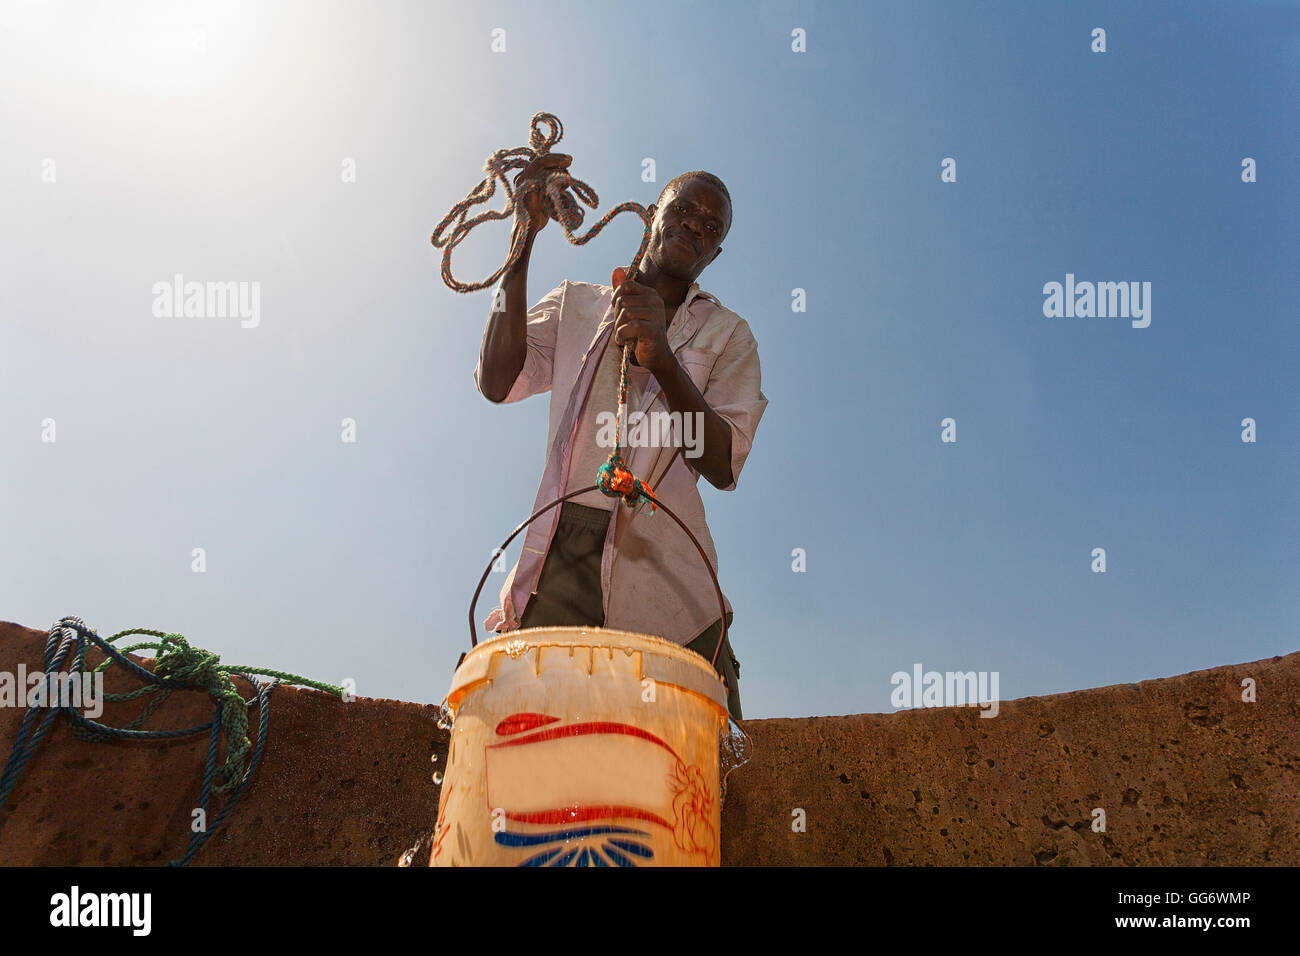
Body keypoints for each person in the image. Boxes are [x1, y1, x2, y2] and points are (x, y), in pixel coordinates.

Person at [474, 151, 767, 719]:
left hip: (666, 561)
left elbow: (723, 465)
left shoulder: (730, 334)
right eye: (683, 211)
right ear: (655, 213)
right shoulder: (577, 304)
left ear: (717, 252)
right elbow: (495, 379)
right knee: (532, 733)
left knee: (692, 741)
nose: (694, 229)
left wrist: (662, 358)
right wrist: (523, 238)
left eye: (711, 228)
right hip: (563, 549)